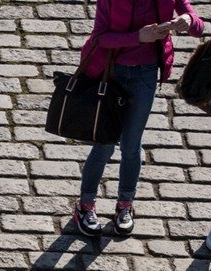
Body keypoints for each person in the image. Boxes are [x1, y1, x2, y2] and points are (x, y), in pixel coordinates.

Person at [73, 0, 204, 237]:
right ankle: (85, 205)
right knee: (103, 145)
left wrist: (188, 21)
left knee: (132, 145)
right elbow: (101, 38)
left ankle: (125, 204)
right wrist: (138, 37)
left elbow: (199, 26)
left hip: (145, 75)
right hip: (113, 73)